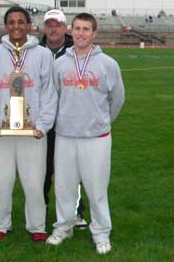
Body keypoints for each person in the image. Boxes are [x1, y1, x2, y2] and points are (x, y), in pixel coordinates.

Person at [46, 13, 125, 255]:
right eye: (77, 28)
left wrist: (101, 122)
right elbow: (53, 98)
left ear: (94, 33)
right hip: (66, 136)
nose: (81, 33)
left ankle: (101, 232)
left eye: (86, 29)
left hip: (96, 138)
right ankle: (64, 227)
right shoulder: (59, 64)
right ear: (72, 31)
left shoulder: (108, 64)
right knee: (64, 186)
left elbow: (117, 99)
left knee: (96, 188)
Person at [0, 6, 57, 242]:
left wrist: (42, 125)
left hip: (32, 131)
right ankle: (0, 223)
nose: (16, 26)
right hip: (1, 131)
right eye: (11, 22)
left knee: (34, 182)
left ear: (29, 25)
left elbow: (50, 93)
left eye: (20, 22)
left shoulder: (43, 55)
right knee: (1, 180)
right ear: (6, 26)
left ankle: (37, 225)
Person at [40, 9, 88, 230]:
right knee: (41, 171)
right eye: (49, 24)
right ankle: (40, 211)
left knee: (71, 172)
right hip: (40, 122)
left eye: (57, 25)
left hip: (67, 124)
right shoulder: (34, 51)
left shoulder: (76, 51)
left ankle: (76, 212)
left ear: (64, 28)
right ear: (44, 28)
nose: (53, 29)